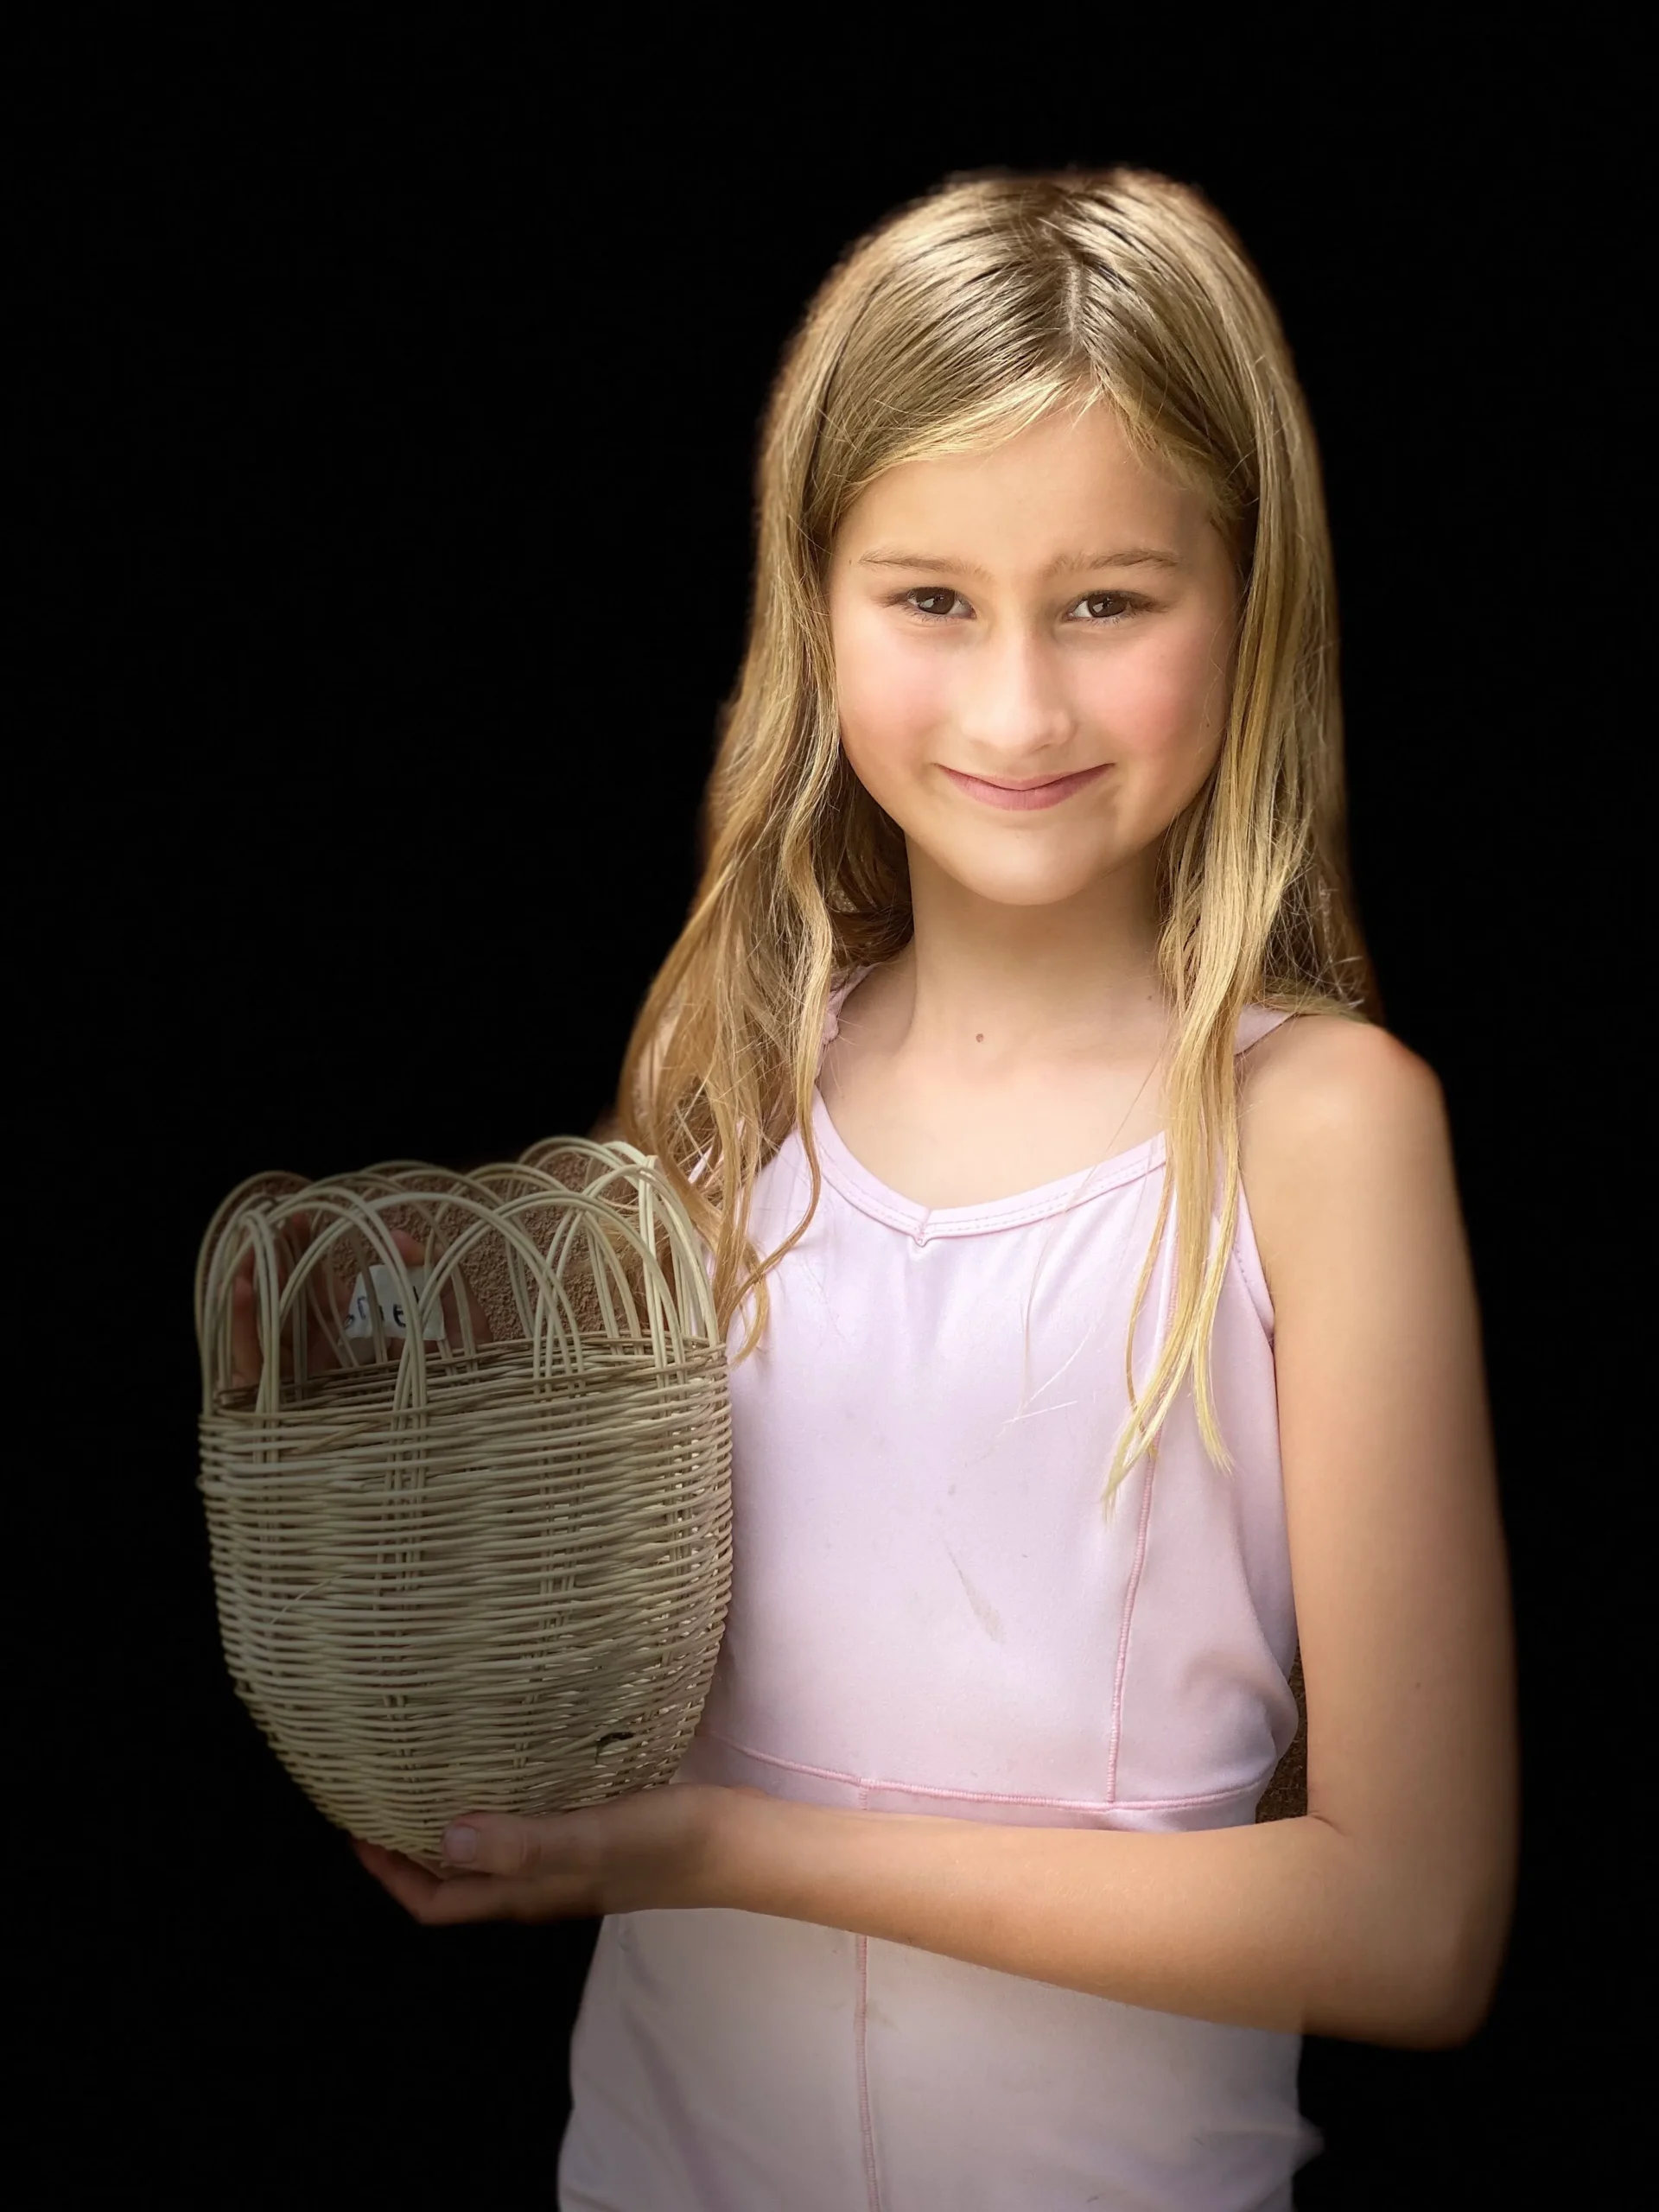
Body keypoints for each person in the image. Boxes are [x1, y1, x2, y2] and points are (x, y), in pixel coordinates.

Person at [341, 167, 1519, 2209]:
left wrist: (727, 1850)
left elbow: (1414, 1927)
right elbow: (629, 1667)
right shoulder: (718, 1099)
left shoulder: (1324, 1129)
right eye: (932, 599)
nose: (1015, 708)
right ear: (816, 598)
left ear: (1254, 601)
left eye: (1109, 602)